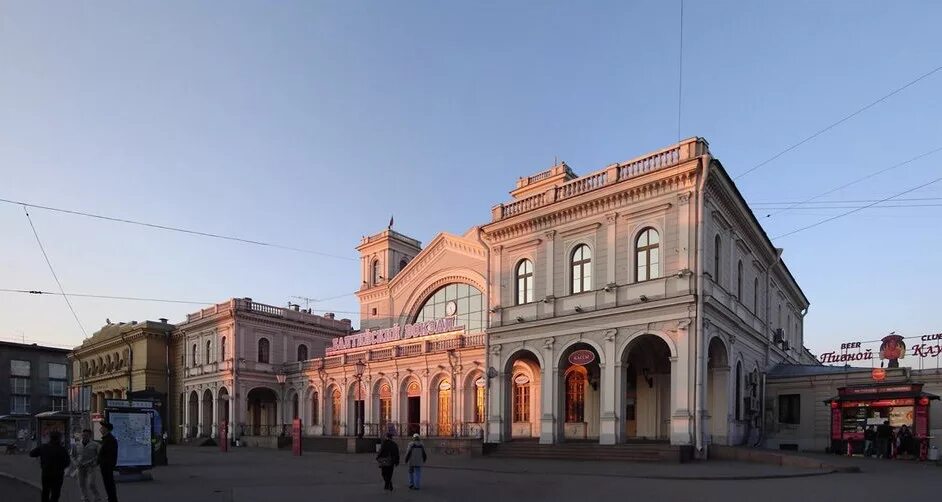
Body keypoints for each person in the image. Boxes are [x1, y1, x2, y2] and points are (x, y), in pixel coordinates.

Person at [29, 430, 71, 502]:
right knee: (56, 493)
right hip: (58, 474)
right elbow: (67, 462)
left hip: (46, 473)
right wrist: (61, 467)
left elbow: (32, 454)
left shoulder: (44, 447)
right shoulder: (62, 449)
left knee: (45, 491)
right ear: (59, 438)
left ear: (50, 438)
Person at [72, 429, 103, 502]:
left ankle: (97, 496)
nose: (84, 436)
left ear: (90, 436)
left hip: (90, 467)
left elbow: (100, 455)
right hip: (80, 467)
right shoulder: (76, 444)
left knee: (91, 484)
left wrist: (96, 462)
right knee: (81, 484)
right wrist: (75, 462)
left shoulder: (96, 444)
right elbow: (72, 455)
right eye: (83, 435)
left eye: (86, 435)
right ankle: (85, 498)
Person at [97, 421, 119, 502]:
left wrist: (101, 462)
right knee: (108, 484)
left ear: (106, 429)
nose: (100, 429)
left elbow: (108, 455)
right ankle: (111, 498)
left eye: (102, 428)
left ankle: (112, 499)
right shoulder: (106, 439)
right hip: (105, 466)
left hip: (107, 466)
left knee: (109, 484)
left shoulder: (110, 440)